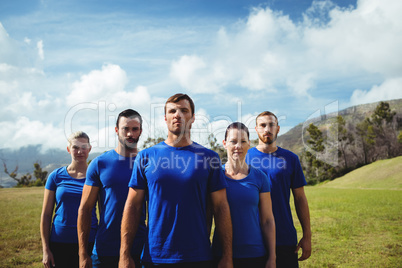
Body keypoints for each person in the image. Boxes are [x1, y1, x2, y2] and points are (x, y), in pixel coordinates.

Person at [119, 93, 233, 268]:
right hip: (155, 257)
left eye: (184, 110)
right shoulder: (146, 157)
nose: (177, 115)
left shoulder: (210, 157)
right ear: (165, 118)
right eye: (172, 111)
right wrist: (124, 255)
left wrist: (227, 256)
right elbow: (133, 206)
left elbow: (221, 207)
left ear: (193, 117)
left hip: (198, 257)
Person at [78, 109, 147, 268]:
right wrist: (82, 254)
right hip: (105, 249)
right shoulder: (99, 163)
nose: (130, 133)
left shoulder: (147, 164)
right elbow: (85, 209)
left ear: (140, 131)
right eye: (125, 129)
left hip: (140, 248)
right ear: (117, 130)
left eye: (134, 129)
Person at [246, 111, 312, 268]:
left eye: (271, 125)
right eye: (262, 125)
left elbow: (300, 198)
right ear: (256, 129)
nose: (267, 129)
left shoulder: (290, 159)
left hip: (284, 237)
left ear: (278, 129)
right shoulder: (245, 157)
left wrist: (307, 235)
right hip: (252, 238)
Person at [212, 122, 276, 268]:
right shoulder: (215, 176)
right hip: (220, 254)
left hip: (254, 255)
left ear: (249, 145)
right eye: (233, 141)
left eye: (243, 142)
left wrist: (272, 257)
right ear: (224, 144)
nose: (238, 146)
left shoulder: (260, 177)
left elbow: (267, 220)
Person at [40, 131, 97, 268]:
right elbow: (46, 215)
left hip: (90, 240)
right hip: (60, 241)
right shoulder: (55, 176)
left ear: (89, 149)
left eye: (84, 147)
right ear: (68, 149)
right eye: (75, 147)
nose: (80, 151)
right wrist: (46, 249)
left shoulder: (95, 177)